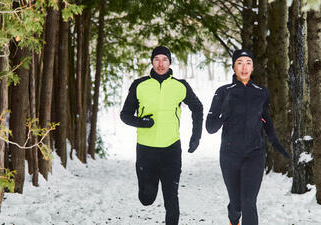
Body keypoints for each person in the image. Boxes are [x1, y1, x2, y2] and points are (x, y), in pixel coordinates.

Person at [120, 46, 203, 225]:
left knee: (171, 198)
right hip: (146, 150)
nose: (160, 64)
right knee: (147, 198)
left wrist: (196, 136)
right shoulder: (139, 85)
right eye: (156, 59)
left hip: (171, 149)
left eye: (164, 59)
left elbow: (197, 107)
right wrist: (142, 122)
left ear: (170, 62)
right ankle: (148, 187)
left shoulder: (180, 86)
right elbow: (125, 115)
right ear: (152, 62)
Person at [206, 49, 290, 225]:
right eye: (239, 63)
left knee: (249, 202)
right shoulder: (223, 92)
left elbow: (266, 121)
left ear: (253, 67)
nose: (244, 67)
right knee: (237, 204)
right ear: (233, 66)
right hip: (230, 155)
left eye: (248, 63)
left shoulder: (261, 92)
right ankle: (233, 215)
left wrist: (277, 143)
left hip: (255, 154)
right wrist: (224, 113)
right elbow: (210, 127)